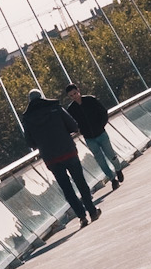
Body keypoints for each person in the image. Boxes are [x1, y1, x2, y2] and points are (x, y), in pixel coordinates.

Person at [20, 86, 101, 226]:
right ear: (42, 96)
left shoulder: (27, 118)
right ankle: (92, 211)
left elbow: (30, 142)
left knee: (66, 188)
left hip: (51, 158)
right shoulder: (55, 107)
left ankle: (81, 217)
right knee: (80, 181)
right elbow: (73, 126)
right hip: (68, 150)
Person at [63, 80, 125, 189]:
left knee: (111, 155)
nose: (74, 97)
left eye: (75, 93)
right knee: (100, 160)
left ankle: (118, 169)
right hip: (89, 138)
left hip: (101, 134)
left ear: (79, 91)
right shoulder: (71, 109)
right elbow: (71, 124)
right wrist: (79, 131)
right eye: (71, 96)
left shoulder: (90, 100)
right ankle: (112, 179)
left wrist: (101, 125)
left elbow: (103, 112)